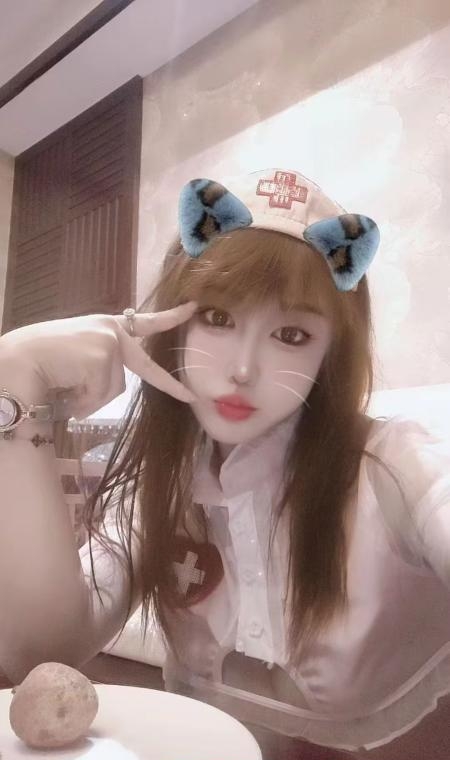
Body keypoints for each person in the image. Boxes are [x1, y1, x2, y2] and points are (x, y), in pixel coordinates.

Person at [0, 168, 449, 759]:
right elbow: (41, 653)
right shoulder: (159, 486)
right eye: (217, 318)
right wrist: (15, 381)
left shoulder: (393, 465)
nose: (242, 369)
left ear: (329, 354)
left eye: (291, 334)